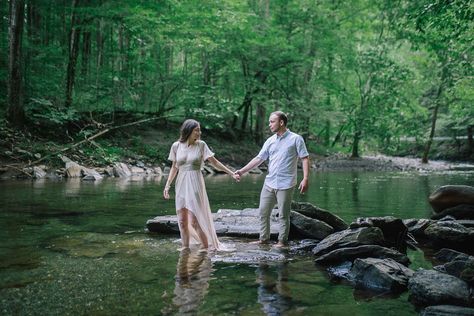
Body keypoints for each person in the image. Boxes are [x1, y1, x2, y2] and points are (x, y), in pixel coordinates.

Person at [235, 111, 309, 248]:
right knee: (263, 212)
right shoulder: (270, 141)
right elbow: (259, 159)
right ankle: (263, 239)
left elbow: (304, 158)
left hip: (286, 183)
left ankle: (282, 242)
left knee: (283, 215)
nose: (269, 124)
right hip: (269, 183)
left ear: (281, 122)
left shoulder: (296, 139)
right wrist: (242, 171)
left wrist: (305, 178)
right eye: (269, 121)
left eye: (272, 121)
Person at [163, 119, 240, 251]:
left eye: (199, 130)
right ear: (188, 131)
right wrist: (167, 185)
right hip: (181, 183)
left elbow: (215, 163)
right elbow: (174, 167)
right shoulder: (176, 146)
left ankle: (205, 249)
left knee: (195, 220)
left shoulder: (201, 145)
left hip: (195, 183)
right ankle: (185, 248)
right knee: (182, 220)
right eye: (196, 130)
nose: (199, 132)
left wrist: (231, 173)